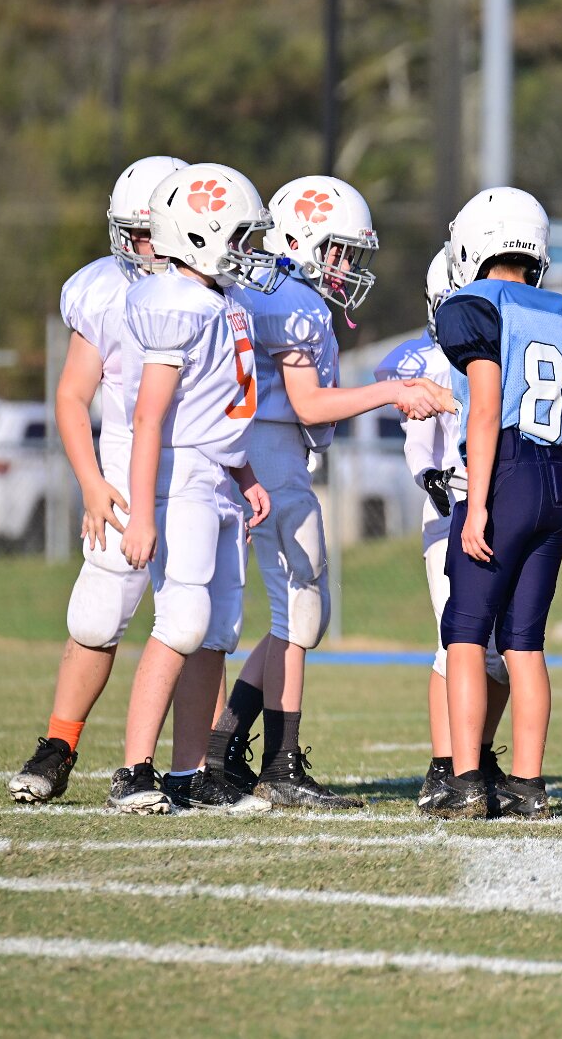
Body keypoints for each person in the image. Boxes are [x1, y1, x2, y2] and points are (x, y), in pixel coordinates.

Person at [207, 176, 454, 809]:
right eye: (338, 250)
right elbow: (310, 405)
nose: (345, 265)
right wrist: (393, 392)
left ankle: (222, 748)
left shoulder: (261, 287)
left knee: (287, 615)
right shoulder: (292, 299)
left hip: (252, 454)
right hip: (271, 456)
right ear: (300, 238)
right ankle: (278, 765)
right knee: (300, 612)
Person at [6, 155, 187, 804]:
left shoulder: (215, 290)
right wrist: (90, 480)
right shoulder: (106, 291)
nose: (143, 248)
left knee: (198, 623)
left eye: (153, 233)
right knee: (96, 616)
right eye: (135, 233)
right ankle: (58, 745)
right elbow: (71, 395)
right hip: (124, 473)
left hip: (196, 471)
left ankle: (201, 766)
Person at [109, 162, 280, 814]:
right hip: (179, 477)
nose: (247, 249)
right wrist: (141, 513)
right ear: (200, 235)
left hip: (218, 477)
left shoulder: (220, 302)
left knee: (215, 630)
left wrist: (245, 474)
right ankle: (133, 770)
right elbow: (151, 416)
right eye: (238, 236)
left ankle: (192, 773)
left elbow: (215, 408)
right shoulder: (175, 303)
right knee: (181, 620)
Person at [429, 187, 562, 820]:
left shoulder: (474, 304)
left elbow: (486, 405)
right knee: (524, 642)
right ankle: (528, 784)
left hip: (506, 471)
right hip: (559, 477)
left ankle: (467, 780)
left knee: (466, 634)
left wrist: (476, 503)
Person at [372, 246, 512, 812]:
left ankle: (477, 754)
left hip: (504, 503)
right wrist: (429, 476)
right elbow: (422, 442)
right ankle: (443, 766)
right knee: (454, 643)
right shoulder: (428, 362)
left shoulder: (506, 355)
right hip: (451, 505)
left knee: (504, 652)